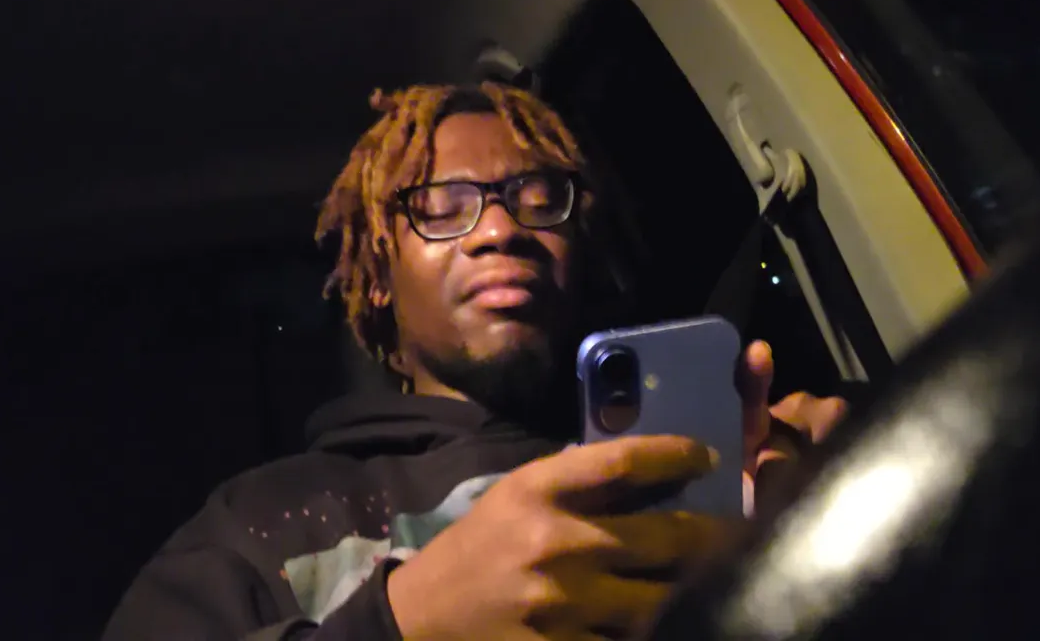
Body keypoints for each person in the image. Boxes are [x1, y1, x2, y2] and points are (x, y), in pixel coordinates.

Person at [102, 82, 847, 641]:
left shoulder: (667, 461)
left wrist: (811, 526)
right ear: (379, 276)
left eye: (538, 198)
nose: (499, 229)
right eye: (441, 205)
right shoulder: (262, 522)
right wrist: (402, 624)